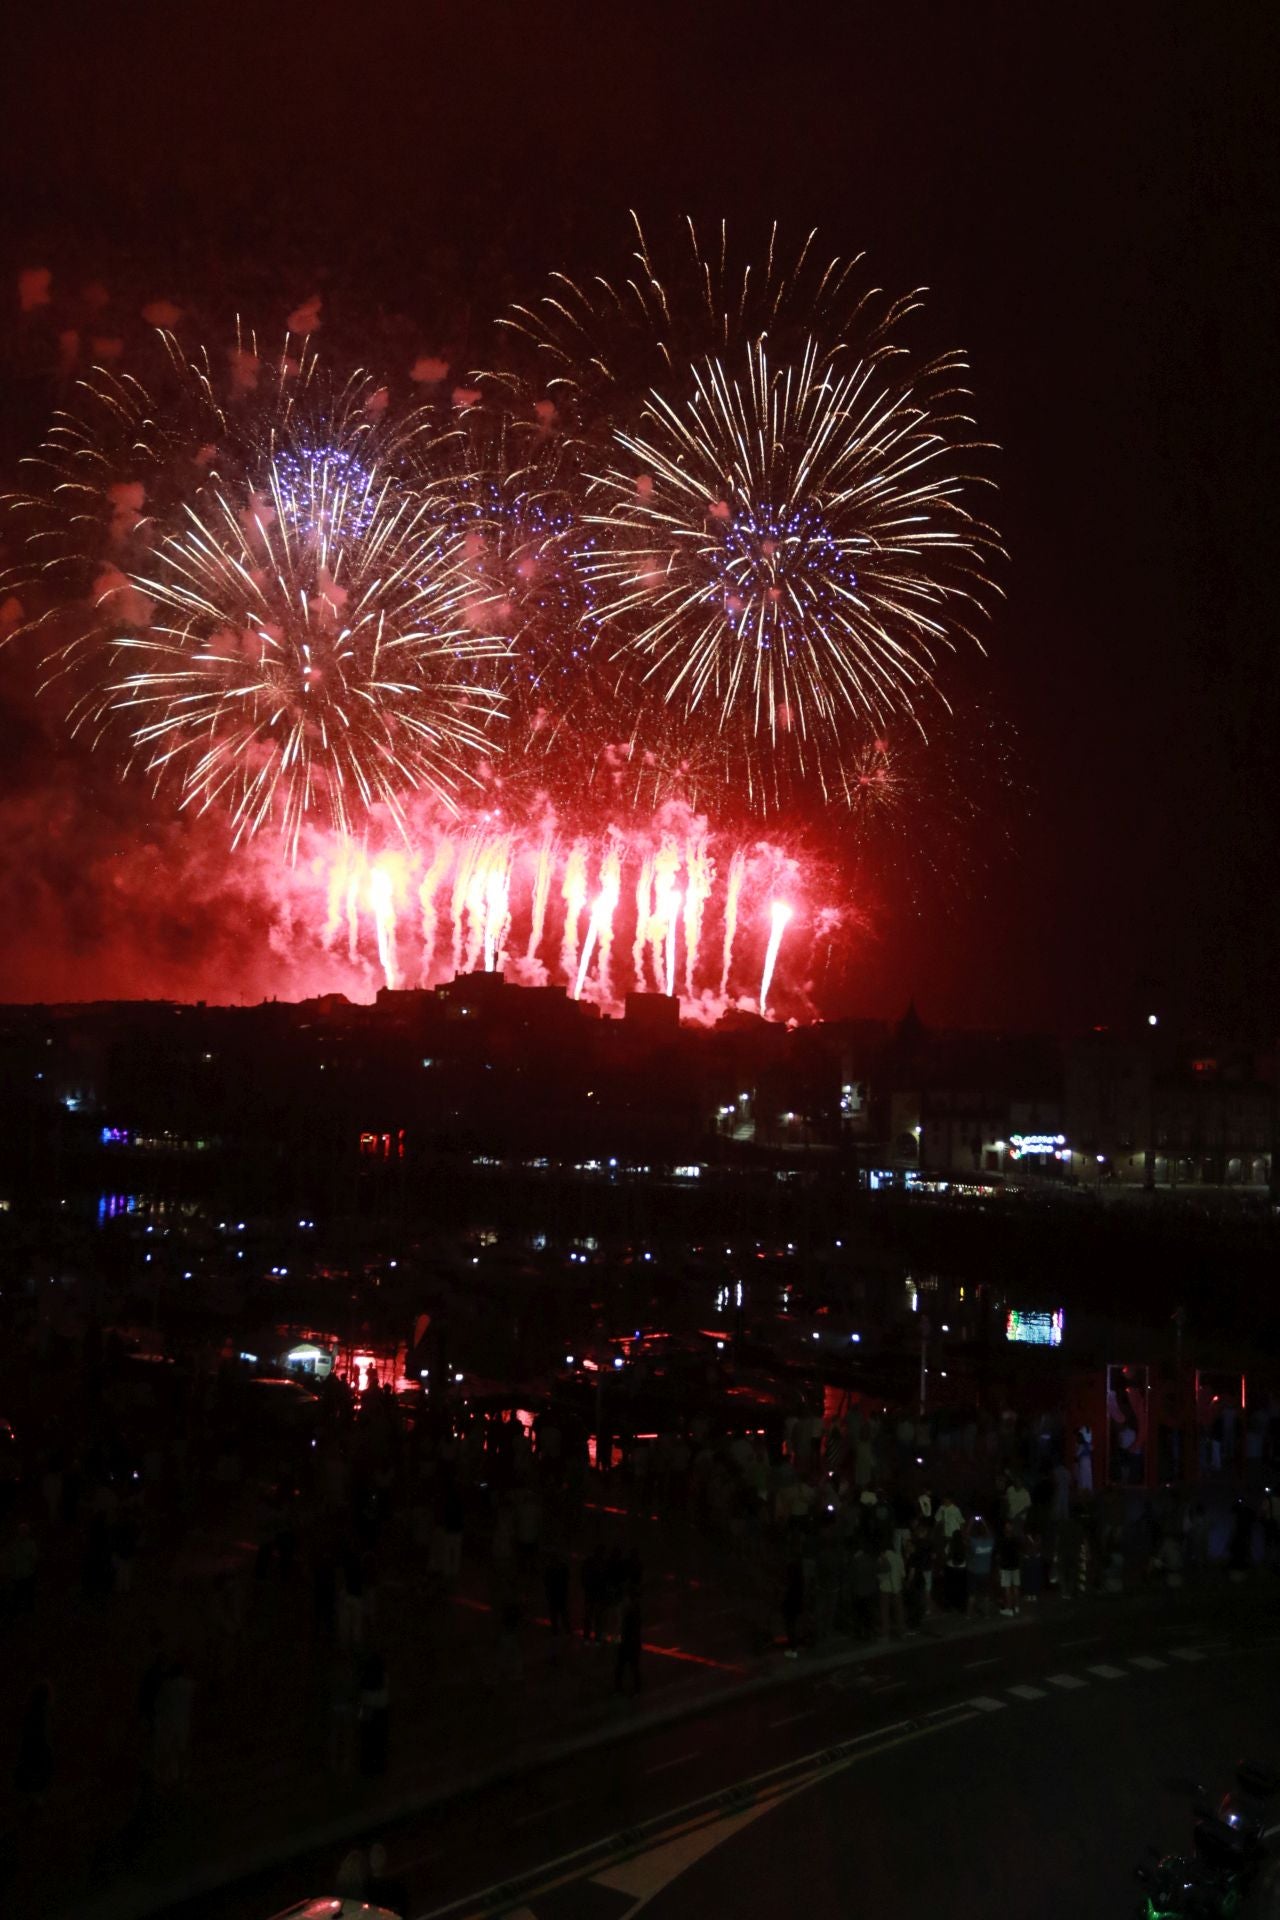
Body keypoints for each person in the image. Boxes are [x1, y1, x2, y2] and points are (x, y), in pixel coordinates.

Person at [13, 1682, 53, 1808]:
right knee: (34, 1768)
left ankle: (29, 1797)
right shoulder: (39, 1714)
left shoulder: (34, 1713)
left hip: (32, 1747)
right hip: (35, 1747)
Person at [615, 1587, 643, 1695]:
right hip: (631, 1642)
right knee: (630, 1667)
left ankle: (623, 1688)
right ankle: (635, 1688)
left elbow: (626, 1628)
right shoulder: (634, 1610)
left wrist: (620, 1639)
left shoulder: (631, 1612)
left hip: (629, 1643)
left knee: (625, 1667)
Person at [877, 1540, 905, 1638]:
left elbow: (879, 1575)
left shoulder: (881, 1558)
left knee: (884, 1611)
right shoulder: (898, 1557)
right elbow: (902, 1574)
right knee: (899, 1610)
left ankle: (885, 1632)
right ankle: (901, 1631)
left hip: (884, 1588)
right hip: (897, 1587)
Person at [580, 1544, 606, 1642]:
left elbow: (583, 1576)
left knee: (591, 1617)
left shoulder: (592, 1562)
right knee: (594, 1617)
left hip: (593, 1594)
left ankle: (589, 1636)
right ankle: (593, 1637)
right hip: (594, 1594)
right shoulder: (600, 1563)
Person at [998, 1522, 1023, 1616]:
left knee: (1007, 1588)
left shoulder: (1002, 1540)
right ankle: (1016, 1607)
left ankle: (1009, 1609)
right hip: (1015, 1566)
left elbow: (999, 1555)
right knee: (1016, 1587)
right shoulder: (1016, 1539)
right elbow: (1019, 1551)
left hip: (1006, 1567)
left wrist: (999, 1567)